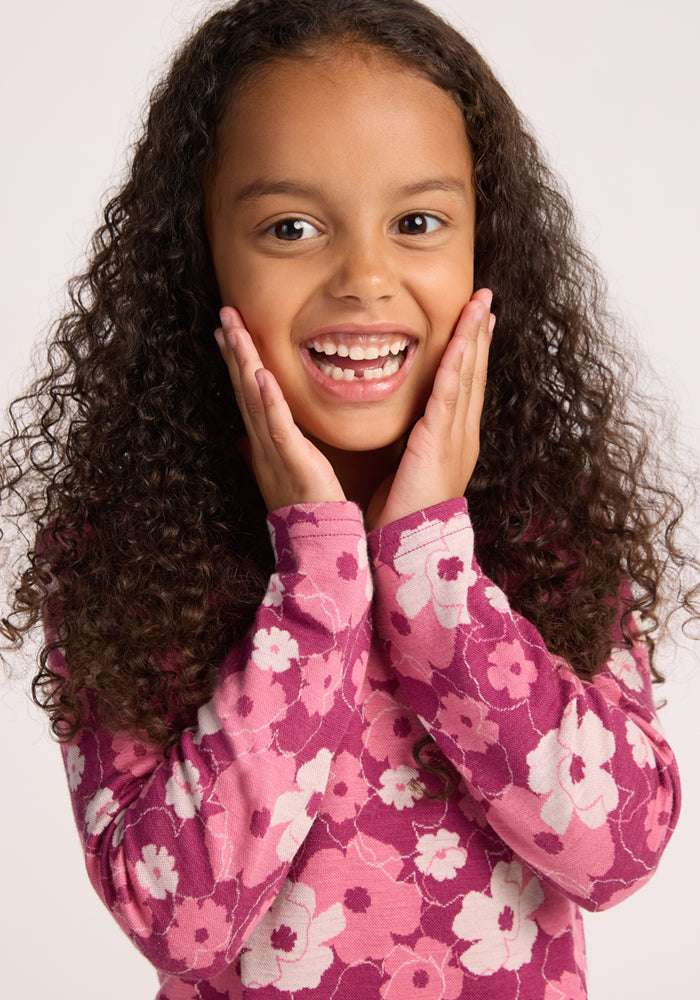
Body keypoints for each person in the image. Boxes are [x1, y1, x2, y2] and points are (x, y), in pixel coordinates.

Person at [0, 1, 696, 997]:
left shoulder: (541, 528)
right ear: (203, 261)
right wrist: (318, 577)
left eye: (416, 223)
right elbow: (176, 917)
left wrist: (427, 564)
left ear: (482, 249)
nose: (364, 278)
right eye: (290, 227)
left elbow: (616, 849)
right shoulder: (130, 555)